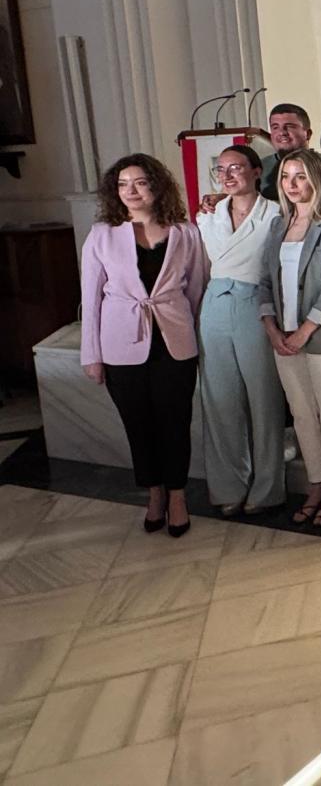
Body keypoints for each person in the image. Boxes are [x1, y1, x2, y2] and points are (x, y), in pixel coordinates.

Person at [81, 154, 208, 537]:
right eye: (122, 184)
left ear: (156, 186)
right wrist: (92, 355)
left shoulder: (185, 232)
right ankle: (154, 493)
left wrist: (195, 336)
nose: (131, 191)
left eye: (139, 182)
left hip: (174, 340)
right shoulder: (102, 234)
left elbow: (197, 288)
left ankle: (178, 495)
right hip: (121, 342)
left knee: (175, 421)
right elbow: (90, 299)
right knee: (138, 423)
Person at [258, 149, 321, 527]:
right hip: (282, 334)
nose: (292, 185)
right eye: (286, 177)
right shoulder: (278, 225)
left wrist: (305, 331)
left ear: (315, 178)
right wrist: (271, 326)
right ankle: (316, 480)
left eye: (300, 176)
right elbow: (265, 279)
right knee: (300, 412)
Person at [196, 145, 285, 516]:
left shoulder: (275, 213)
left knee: (263, 398)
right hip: (214, 303)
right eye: (221, 170)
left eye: (236, 168)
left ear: (254, 171)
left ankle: (266, 489)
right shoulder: (208, 215)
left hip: (255, 303)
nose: (228, 175)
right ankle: (228, 484)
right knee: (220, 399)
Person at [260, 103, 315, 201]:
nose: (282, 132)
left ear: (308, 134)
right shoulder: (260, 167)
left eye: (289, 126)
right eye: (275, 127)